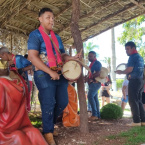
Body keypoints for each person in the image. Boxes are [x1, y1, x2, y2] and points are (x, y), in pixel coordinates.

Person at [27, 7, 81, 145]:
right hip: (43, 74)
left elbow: (62, 55)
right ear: (40, 19)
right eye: (48, 17)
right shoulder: (35, 35)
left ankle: (47, 127)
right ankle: (48, 133)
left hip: (59, 73)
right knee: (49, 103)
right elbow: (32, 57)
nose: (51, 20)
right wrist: (50, 72)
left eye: (53, 18)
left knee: (62, 102)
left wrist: (71, 57)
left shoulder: (56, 37)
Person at [0, 60, 47, 145]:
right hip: (20, 125)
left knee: (19, 136)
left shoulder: (1, 84)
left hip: (4, 128)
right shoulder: (17, 85)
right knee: (34, 132)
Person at [115, 41, 145, 126]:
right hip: (141, 80)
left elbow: (129, 69)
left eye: (128, 49)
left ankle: (136, 122)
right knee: (139, 101)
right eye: (125, 49)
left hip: (134, 80)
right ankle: (143, 121)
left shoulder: (132, 57)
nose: (126, 51)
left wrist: (121, 72)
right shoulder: (140, 57)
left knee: (132, 100)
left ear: (133, 48)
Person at [0, 47, 32, 111]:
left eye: (1, 57)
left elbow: (32, 65)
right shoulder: (5, 63)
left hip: (22, 84)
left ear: (4, 54)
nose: (1, 59)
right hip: (11, 86)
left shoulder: (18, 58)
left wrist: (22, 69)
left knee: (23, 101)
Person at [84, 51, 102, 121]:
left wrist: (89, 78)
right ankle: (98, 115)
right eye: (88, 56)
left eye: (90, 56)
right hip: (93, 83)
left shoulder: (97, 63)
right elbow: (91, 73)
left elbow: (98, 73)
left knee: (90, 96)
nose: (89, 57)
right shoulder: (92, 64)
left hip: (95, 83)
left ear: (94, 56)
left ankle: (94, 114)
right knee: (95, 99)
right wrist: (87, 77)